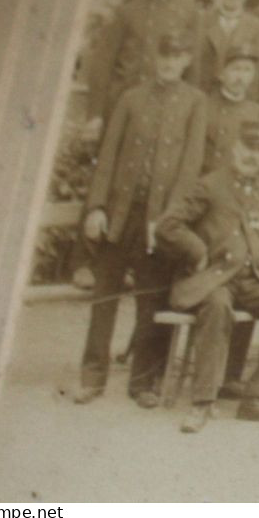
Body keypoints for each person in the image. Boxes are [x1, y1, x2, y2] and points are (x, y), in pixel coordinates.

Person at [156, 120, 259, 432]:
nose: (253, 156)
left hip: (253, 279)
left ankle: (256, 399)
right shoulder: (209, 185)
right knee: (217, 307)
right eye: (248, 148)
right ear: (235, 148)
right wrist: (197, 249)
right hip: (215, 278)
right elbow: (169, 225)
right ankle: (202, 403)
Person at [74, 31, 206, 407]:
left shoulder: (195, 103)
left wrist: (167, 221)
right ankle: (92, 377)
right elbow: (108, 158)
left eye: (177, 56)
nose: (169, 62)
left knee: (152, 301)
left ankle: (144, 383)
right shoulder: (131, 99)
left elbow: (190, 168)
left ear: (186, 61)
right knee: (106, 297)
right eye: (164, 54)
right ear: (156, 57)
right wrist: (97, 207)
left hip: (159, 220)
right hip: (120, 214)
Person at [84, 0, 200, 130]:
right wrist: (95, 115)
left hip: (168, 106)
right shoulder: (128, 10)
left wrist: (191, 114)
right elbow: (103, 62)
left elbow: (193, 68)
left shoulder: (189, 11)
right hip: (124, 104)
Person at [194, 0, 259, 94]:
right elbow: (195, 68)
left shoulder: (255, 25)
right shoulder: (203, 20)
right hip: (206, 96)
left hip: (237, 98)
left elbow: (256, 74)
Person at [202, 45, 259, 173]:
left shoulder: (257, 112)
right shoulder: (204, 106)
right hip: (205, 184)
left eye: (247, 70)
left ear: (253, 76)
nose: (240, 78)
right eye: (235, 69)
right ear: (222, 74)